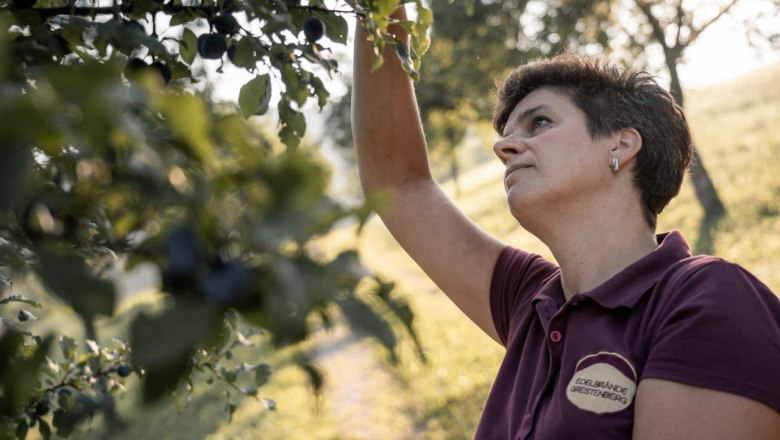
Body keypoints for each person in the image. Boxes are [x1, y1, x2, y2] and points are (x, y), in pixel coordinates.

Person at [351, 5, 780, 440]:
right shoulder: (531, 302)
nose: (504, 147)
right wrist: (376, 13)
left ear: (622, 143)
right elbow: (400, 184)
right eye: (505, 135)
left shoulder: (706, 298)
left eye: (539, 122)